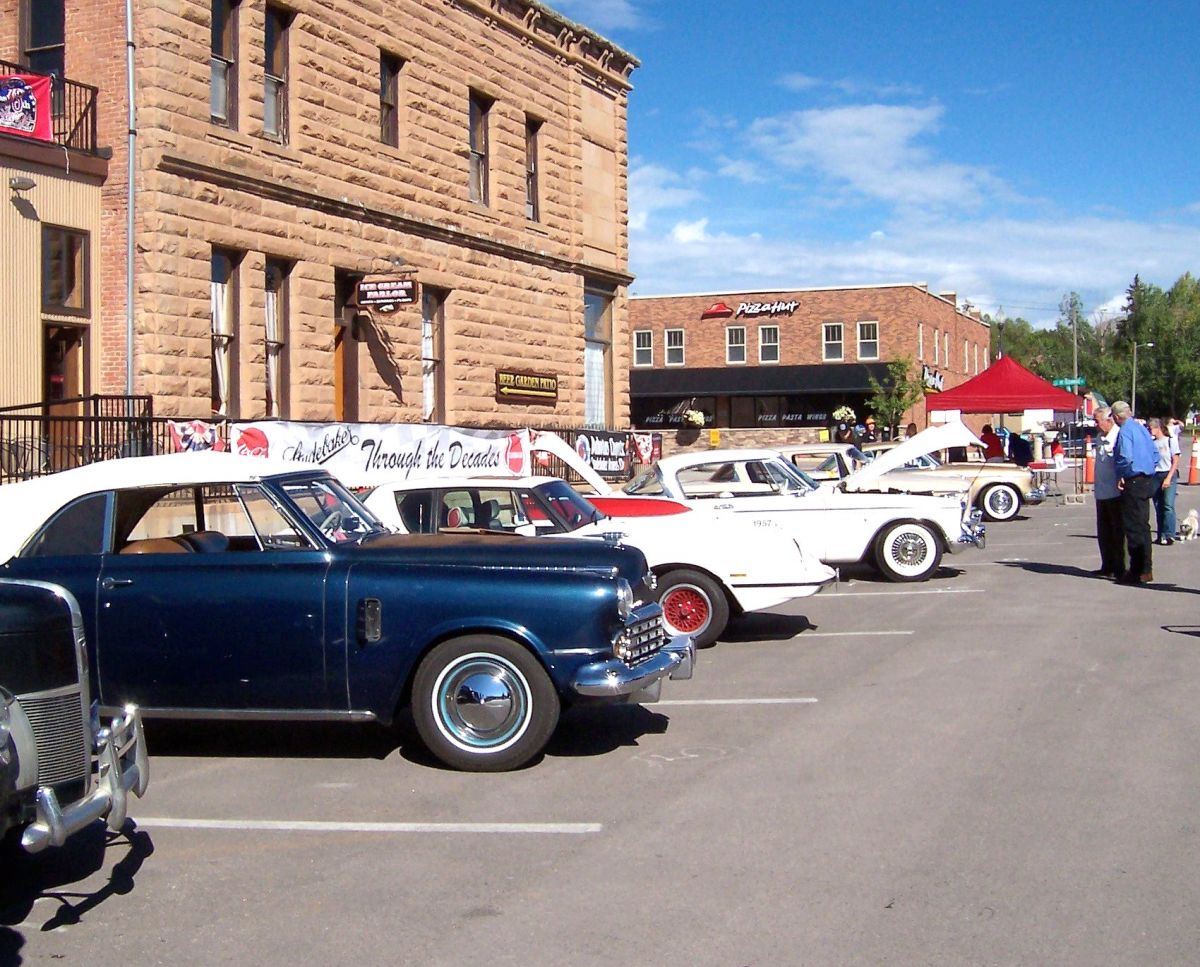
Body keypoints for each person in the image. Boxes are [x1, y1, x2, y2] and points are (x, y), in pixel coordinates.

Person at [1111, 400, 1159, 584]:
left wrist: (1122, 474)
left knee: (1133, 527)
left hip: (1133, 480)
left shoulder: (1125, 431)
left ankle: (1137, 570)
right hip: (1146, 479)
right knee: (1144, 525)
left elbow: (1125, 456)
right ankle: (1146, 568)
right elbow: (1155, 455)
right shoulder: (1141, 429)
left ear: (1116, 416)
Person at [1091, 406, 1125, 578]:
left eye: (1097, 421)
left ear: (1108, 420)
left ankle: (1120, 568)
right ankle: (1107, 565)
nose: (1095, 424)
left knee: (1117, 533)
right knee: (1103, 532)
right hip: (1101, 491)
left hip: (1115, 492)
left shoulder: (1118, 436)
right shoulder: (1099, 437)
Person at [1148, 417, 1180, 544]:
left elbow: (1175, 460)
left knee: (1167, 505)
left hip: (1168, 474)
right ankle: (1161, 534)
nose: (1149, 431)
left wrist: (1168, 478)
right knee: (1158, 505)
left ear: (1158, 428)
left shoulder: (1170, 441)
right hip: (1156, 475)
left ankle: (1169, 534)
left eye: (1151, 428)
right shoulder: (1152, 443)